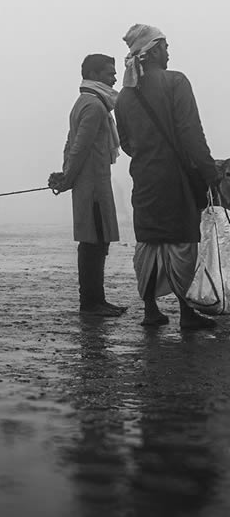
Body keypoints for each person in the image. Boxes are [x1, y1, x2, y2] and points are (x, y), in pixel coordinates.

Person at [113, 24, 221, 329]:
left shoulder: (123, 98)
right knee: (182, 242)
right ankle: (187, 314)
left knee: (148, 242)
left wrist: (149, 155)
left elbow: (126, 143)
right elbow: (191, 133)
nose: (169, 52)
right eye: (165, 46)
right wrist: (209, 172)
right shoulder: (176, 82)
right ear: (154, 50)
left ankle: (151, 310)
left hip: (145, 180)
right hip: (176, 179)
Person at [48, 54, 124, 317]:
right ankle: (91, 304)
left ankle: (96, 301)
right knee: (93, 244)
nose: (115, 77)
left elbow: (71, 145)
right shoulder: (94, 106)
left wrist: (67, 176)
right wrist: (67, 178)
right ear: (93, 73)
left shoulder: (86, 102)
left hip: (91, 185)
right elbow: (79, 148)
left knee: (96, 243)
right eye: (109, 73)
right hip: (92, 188)